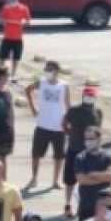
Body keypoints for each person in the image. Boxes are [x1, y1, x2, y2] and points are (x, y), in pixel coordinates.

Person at [26, 61, 70, 189]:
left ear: (56, 71)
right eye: (46, 69)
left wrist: (68, 120)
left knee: (59, 155)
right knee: (36, 154)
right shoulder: (42, 82)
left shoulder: (64, 86)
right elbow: (28, 90)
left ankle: (55, 181)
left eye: (50, 69)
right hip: (42, 125)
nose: (47, 71)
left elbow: (67, 103)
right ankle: (34, 178)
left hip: (58, 127)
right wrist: (33, 108)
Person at [62, 85, 103, 218]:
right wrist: (69, 133)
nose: (89, 97)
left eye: (91, 95)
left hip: (89, 152)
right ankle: (68, 204)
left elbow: (98, 131)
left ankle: (81, 207)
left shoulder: (98, 112)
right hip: (74, 148)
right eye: (87, 95)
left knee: (85, 181)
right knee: (70, 180)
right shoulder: (74, 110)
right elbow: (64, 123)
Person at [73, 127, 111, 221]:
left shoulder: (107, 157)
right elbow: (82, 180)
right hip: (87, 205)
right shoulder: (80, 158)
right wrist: (103, 178)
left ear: (99, 139)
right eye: (86, 139)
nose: (88, 141)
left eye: (91, 139)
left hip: (105, 206)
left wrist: (93, 175)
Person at [0, 0, 31, 78]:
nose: (11, 4)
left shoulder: (24, 8)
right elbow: (1, 18)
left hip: (18, 38)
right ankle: (0, 74)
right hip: (7, 36)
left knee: (16, 58)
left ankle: (13, 74)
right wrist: (4, 22)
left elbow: (28, 21)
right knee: (2, 56)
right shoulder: (5, 7)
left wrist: (23, 22)